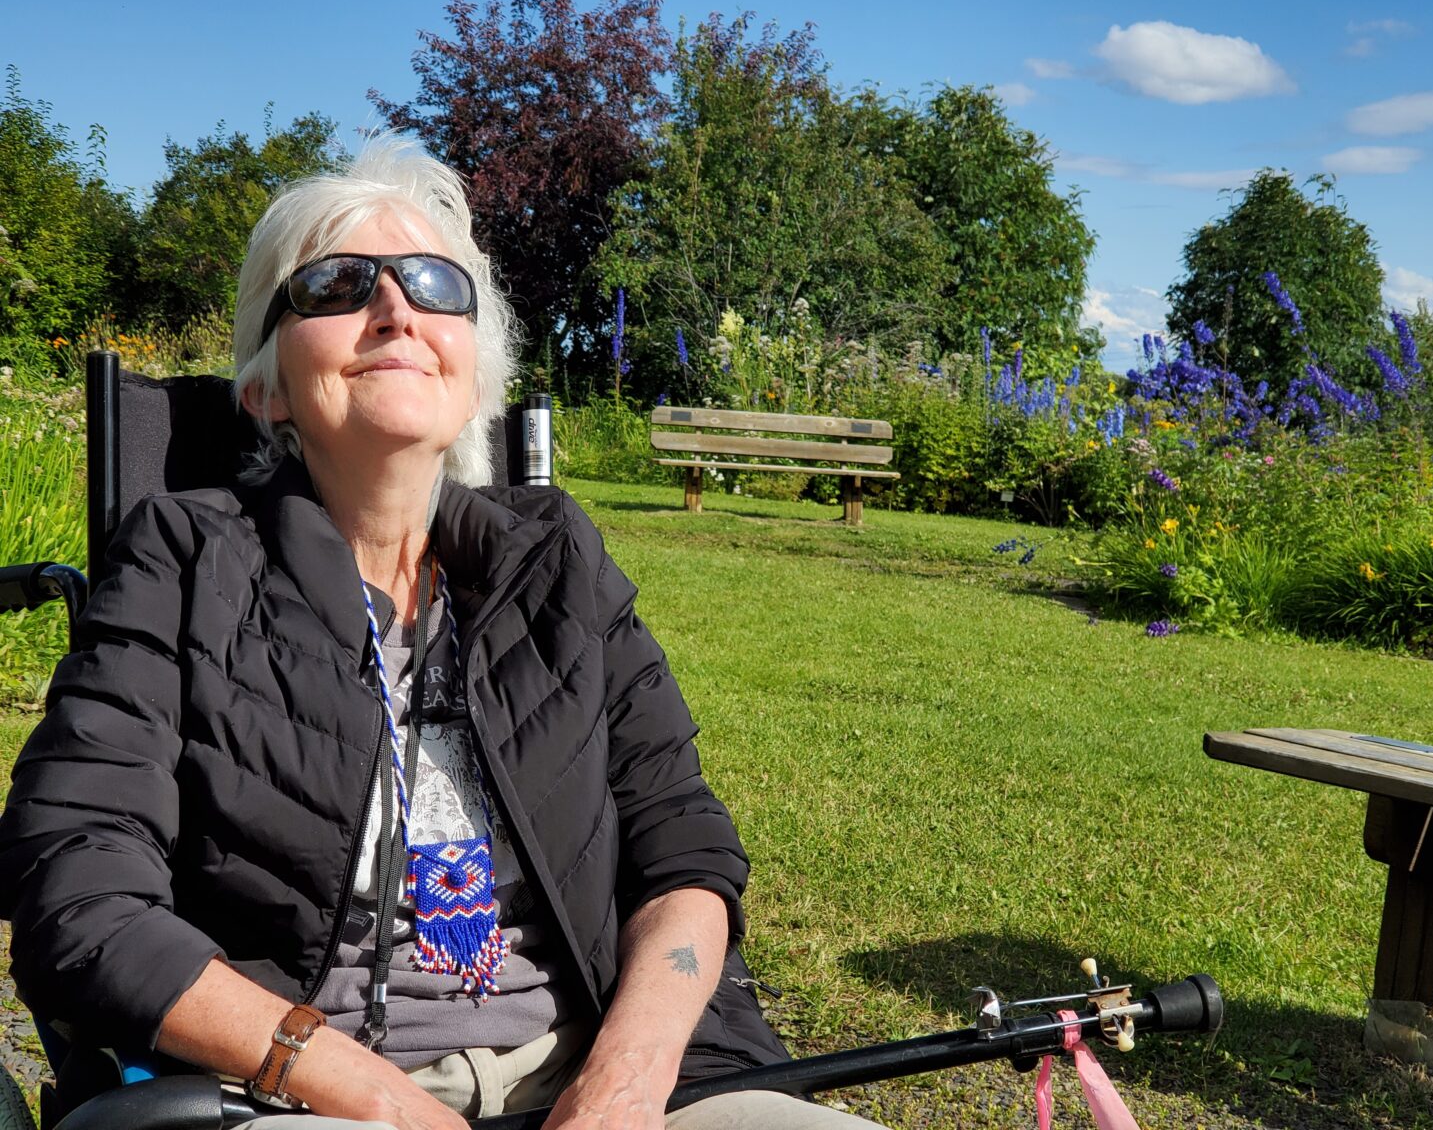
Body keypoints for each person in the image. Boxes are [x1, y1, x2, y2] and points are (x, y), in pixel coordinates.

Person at [0, 135, 885, 1130]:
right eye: (335, 284)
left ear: (473, 371)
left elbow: (682, 851)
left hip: (601, 1080)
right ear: (266, 387)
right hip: (296, 1100)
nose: (394, 309)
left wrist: (623, 1086)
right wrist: (363, 1090)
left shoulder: (558, 564)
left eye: (433, 283)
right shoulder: (186, 557)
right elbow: (75, 886)